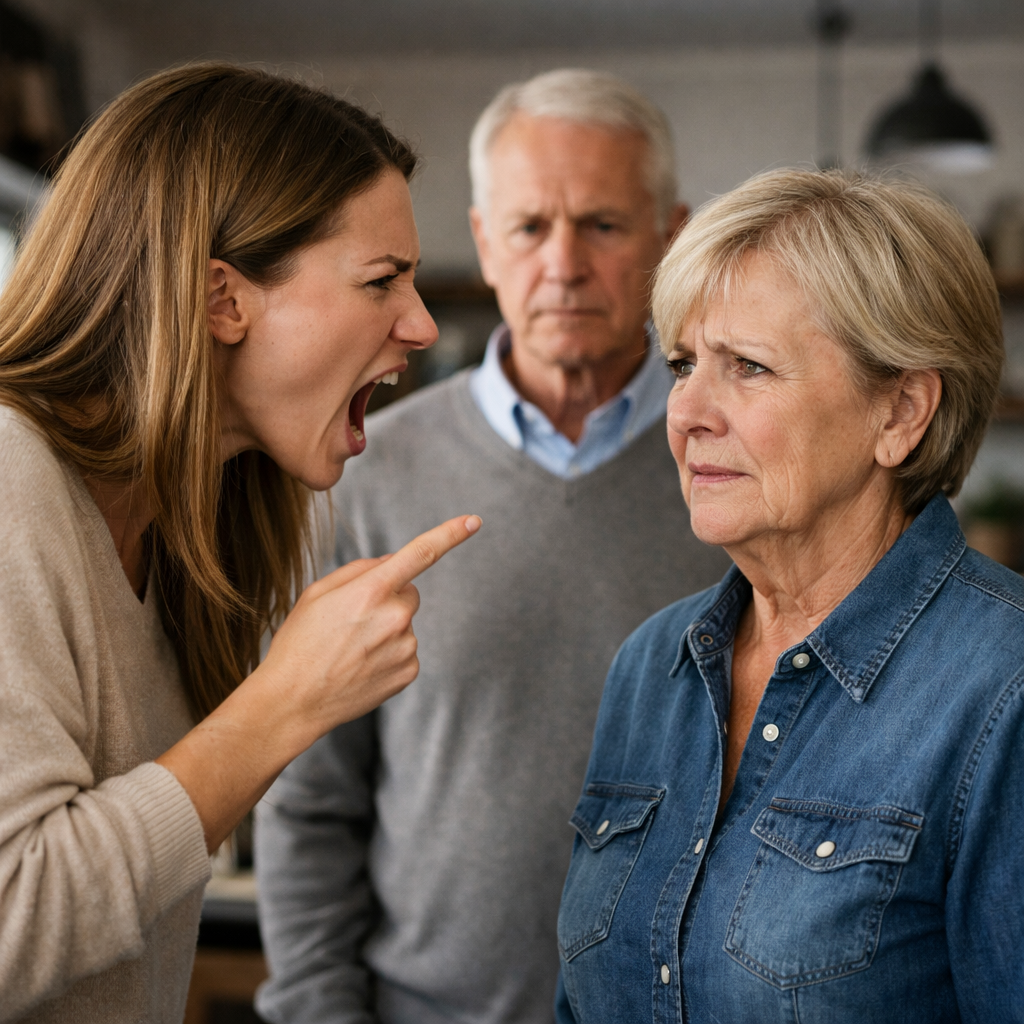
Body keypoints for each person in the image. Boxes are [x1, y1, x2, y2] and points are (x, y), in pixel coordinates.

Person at [0, 64, 481, 1024]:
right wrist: (285, 705)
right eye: (381, 280)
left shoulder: (186, 530)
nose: (422, 325)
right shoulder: (9, 478)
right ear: (223, 301)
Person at [255, 69, 730, 1024]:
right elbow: (307, 800)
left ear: (670, 235)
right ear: (482, 240)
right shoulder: (358, 474)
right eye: (528, 227)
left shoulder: (735, 472)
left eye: (601, 224)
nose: (562, 263)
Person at [554, 168, 1022, 1023]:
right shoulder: (650, 666)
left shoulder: (1005, 687)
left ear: (901, 414)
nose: (687, 410)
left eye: (750, 368)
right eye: (684, 363)